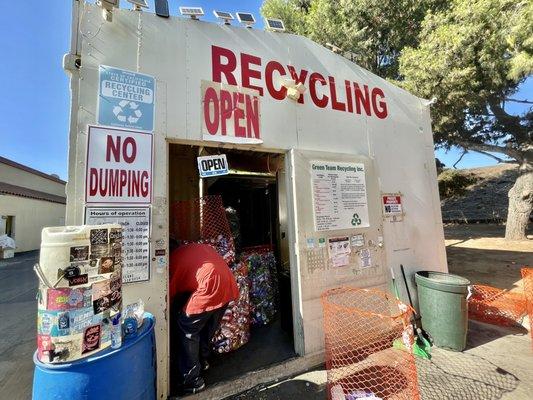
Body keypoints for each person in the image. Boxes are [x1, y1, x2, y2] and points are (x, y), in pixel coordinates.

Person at [169, 243, 239, 394]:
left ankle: (192, 380)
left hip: (208, 286)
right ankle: (202, 360)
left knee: (187, 328)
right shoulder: (194, 248)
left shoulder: (170, 261)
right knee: (207, 326)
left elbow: (168, 295)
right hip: (227, 282)